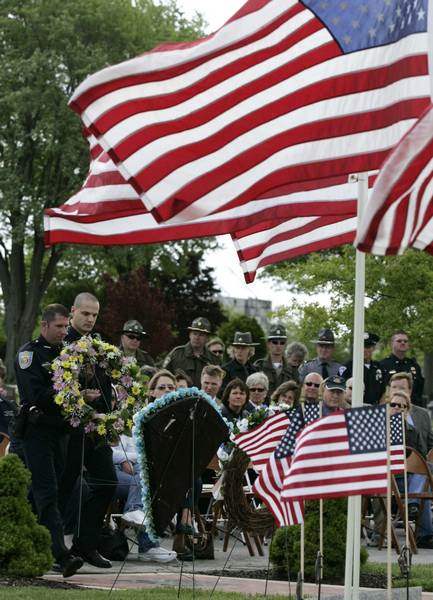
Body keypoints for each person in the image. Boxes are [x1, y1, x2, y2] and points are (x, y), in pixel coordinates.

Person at [14, 304, 83, 578]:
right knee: (47, 491)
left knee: (45, 492)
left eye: (66, 327)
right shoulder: (29, 354)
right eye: (59, 327)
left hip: (61, 432)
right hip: (37, 432)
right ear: (44, 326)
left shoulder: (66, 353)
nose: (64, 331)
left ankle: (22, 540)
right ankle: (61, 555)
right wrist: (68, 395)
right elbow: (34, 394)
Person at [59, 292, 117, 569]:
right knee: (64, 487)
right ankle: (56, 549)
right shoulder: (60, 343)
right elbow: (57, 389)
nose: (90, 319)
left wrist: (109, 418)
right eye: (85, 313)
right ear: (73, 311)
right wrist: (81, 396)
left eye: (94, 315)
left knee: (108, 483)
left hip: (95, 428)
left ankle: (86, 545)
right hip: (68, 429)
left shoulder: (99, 347)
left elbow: (106, 389)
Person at [112, 435, 176, 562]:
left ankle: (148, 546)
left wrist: (128, 460)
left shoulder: (125, 420)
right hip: (109, 469)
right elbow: (107, 453)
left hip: (131, 467)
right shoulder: (99, 420)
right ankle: (148, 545)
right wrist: (125, 460)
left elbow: (136, 451)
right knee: (142, 484)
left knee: (150, 479)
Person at [163, 317, 219, 387]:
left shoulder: (213, 359)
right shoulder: (176, 354)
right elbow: (163, 375)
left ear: (207, 338)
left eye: (201, 335)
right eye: (194, 334)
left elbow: (218, 383)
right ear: (190, 335)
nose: (197, 337)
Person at [388, 372, 433, 456]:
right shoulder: (379, 414)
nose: (397, 391)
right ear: (389, 390)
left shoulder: (423, 414)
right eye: (394, 387)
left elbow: (430, 445)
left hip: (419, 463)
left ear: (410, 390)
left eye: (402, 388)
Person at [380, 330, 425, 407]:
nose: (403, 343)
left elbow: (419, 391)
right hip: (392, 408)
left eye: (405, 341)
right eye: (399, 341)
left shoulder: (414, 366)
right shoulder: (382, 365)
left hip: (412, 408)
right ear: (392, 344)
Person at [339, 333, 385, 405]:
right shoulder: (348, 367)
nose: (364, 350)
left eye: (367, 347)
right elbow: (340, 391)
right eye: (361, 346)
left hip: (375, 409)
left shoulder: (379, 367)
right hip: (353, 407)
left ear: (373, 348)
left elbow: (384, 391)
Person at [254, 324, 297, 395]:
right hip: (263, 405)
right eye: (275, 342)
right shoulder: (259, 366)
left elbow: (296, 393)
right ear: (268, 344)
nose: (278, 346)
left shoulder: (292, 369)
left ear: (285, 345)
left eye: (282, 343)